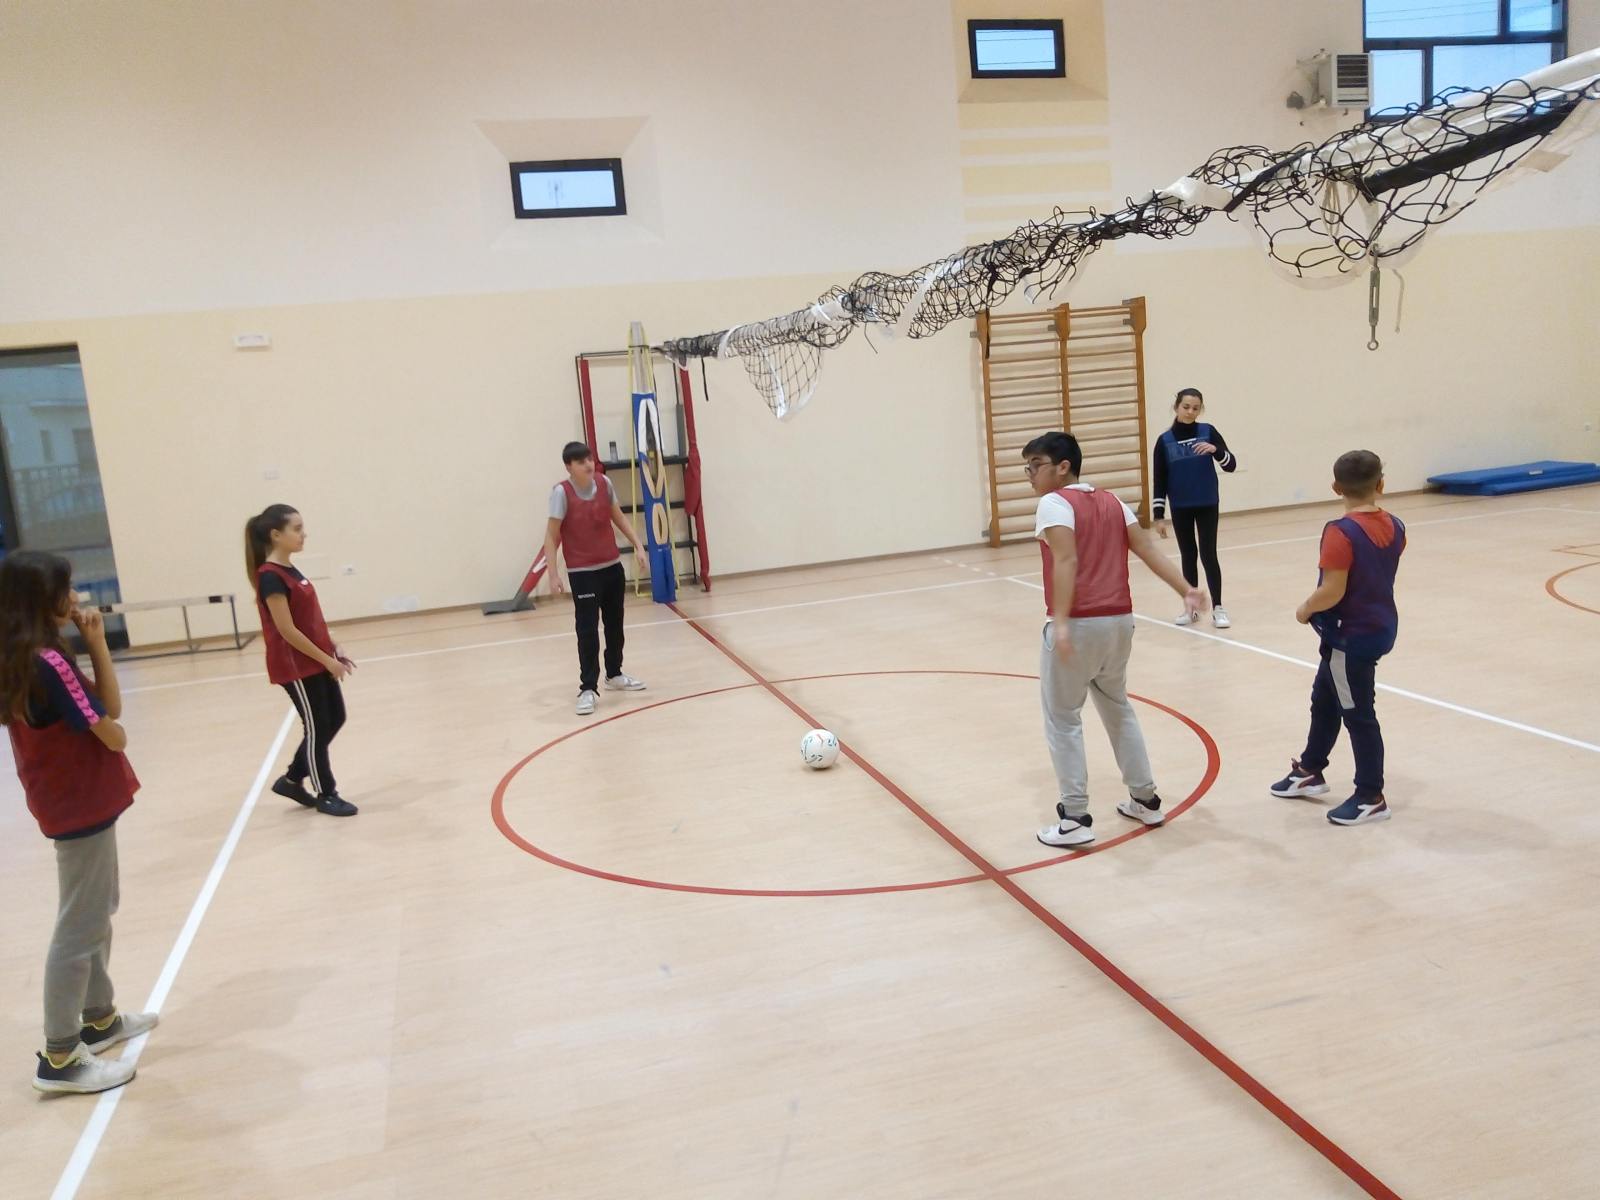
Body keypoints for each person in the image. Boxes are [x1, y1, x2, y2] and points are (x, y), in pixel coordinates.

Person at [0, 551, 157, 1094]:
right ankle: (61, 1054)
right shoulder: (48, 662)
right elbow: (112, 729)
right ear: (42, 599)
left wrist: (96, 642)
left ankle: (99, 1017)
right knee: (80, 924)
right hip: (79, 803)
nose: (76, 598)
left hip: (67, 800)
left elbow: (106, 708)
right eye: (66, 590)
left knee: (96, 908)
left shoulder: (27, 654)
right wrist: (113, 731)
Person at [1025, 433, 1207, 848]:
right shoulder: (1113, 502)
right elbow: (1148, 550)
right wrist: (1186, 588)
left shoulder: (1053, 503)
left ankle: (1075, 817)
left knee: (1063, 720)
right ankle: (1146, 799)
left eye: (1036, 464)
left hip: (1079, 624)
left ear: (1063, 467)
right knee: (1118, 708)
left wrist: (1063, 621)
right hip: (1120, 623)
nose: (1030, 474)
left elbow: (1066, 559)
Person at [1270, 450, 1406, 826]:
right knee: (1325, 699)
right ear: (1381, 484)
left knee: (1358, 714)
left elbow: (1332, 590)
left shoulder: (1340, 532)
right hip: (1378, 625)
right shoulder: (1396, 525)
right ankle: (1310, 769)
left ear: (1335, 488)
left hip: (1351, 637)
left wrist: (1305, 609)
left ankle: (1370, 796)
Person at [245, 504, 358, 817]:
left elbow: (308, 619)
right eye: (296, 529)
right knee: (317, 726)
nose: (303, 534)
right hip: (296, 665)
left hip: (315, 658)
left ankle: (292, 780)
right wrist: (326, 661)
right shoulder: (270, 577)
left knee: (335, 718)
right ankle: (326, 793)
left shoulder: (290, 571)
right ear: (275, 535)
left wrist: (332, 646)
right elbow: (287, 630)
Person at [541, 442, 648, 716]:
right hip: (583, 574)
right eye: (581, 462)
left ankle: (614, 674)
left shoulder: (604, 484)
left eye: (589, 459)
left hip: (611, 568)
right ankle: (588, 687)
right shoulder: (561, 493)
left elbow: (618, 518)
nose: (588, 465)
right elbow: (551, 536)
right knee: (587, 630)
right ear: (569, 467)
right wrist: (553, 574)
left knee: (615, 625)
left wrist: (638, 545)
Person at [1152, 387, 1238, 628]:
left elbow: (1231, 464)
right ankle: (1191, 608)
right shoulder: (1164, 441)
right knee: (1188, 556)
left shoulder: (1208, 432)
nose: (1190, 412)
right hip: (1181, 506)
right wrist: (1159, 515)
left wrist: (1216, 451)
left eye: (1195, 408)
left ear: (1201, 409)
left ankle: (1218, 608)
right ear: (1176, 407)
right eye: (1186, 407)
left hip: (1207, 503)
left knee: (1209, 554)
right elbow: (1159, 480)